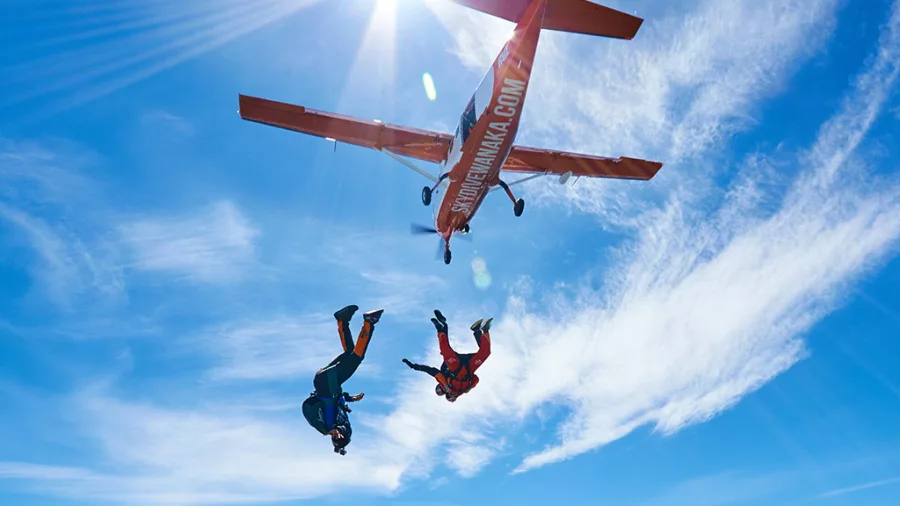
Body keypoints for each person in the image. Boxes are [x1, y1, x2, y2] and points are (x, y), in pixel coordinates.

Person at [302, 304, 383, 455]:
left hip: (326, 383)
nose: (345, 428)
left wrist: (329, 430)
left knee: (357, 357)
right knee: (351, 353)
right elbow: (339, 400)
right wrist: (351, 399)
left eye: (341, 433)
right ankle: (342, 320)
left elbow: (307, 408)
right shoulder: (338, 415)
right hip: (326, 381)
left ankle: (369, 322)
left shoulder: (327, 425)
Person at [402, 309, 491, 402]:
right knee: (485, 353)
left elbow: (433, 372)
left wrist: (414, 366)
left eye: (440, 388)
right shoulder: (463, 389)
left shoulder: (446, 384)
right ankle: (479, 330)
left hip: (455, 366)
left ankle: (441, 328)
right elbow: (476, 378)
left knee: (445, 349)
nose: (453, 395)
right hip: (469, 367)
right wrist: (470, 387)